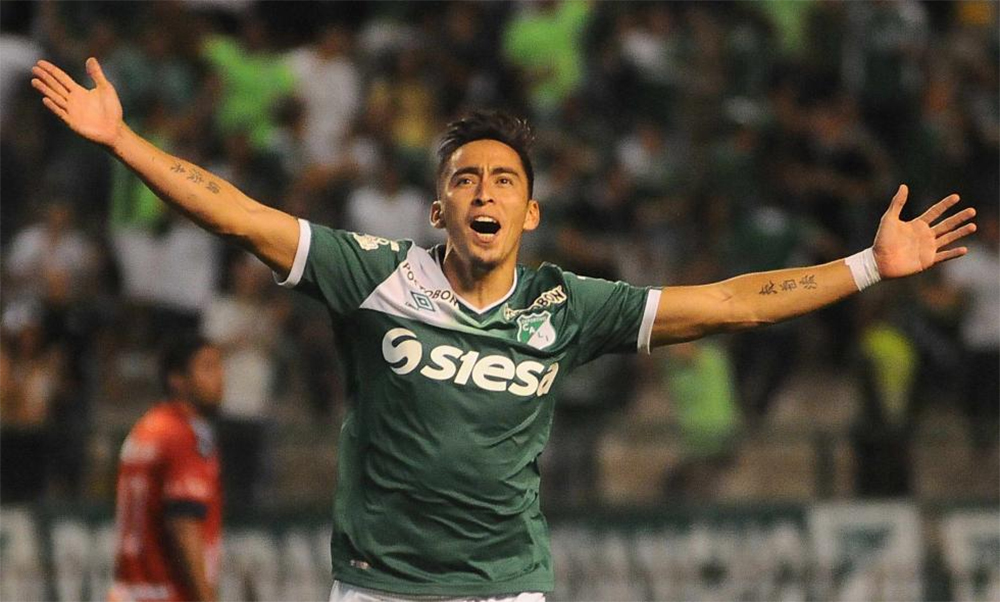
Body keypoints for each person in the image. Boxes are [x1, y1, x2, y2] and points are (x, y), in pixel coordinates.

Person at [32, 58, 976, 601]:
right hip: (377, 587)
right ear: (438, 210)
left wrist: (866, 266)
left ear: (530, 213)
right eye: (465, 180)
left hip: (505, 588)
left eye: (504, 180)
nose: (483, 191)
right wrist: (122, 141)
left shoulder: (568, 306)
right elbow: (238, 215)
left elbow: (732, 301)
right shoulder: (377, 275)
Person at [108, 335, 224, 602]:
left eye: (219, 366)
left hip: (129, 592)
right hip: (166, 593)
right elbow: (184, 522)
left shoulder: (145, 429)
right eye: (207, 367)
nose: (220, 378)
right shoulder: (183, 436)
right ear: (177, 379)